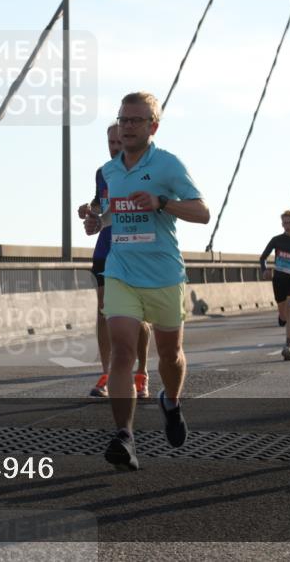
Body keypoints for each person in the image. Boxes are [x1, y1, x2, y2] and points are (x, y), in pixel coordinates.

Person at [84, 91, 209, 471]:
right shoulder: (110, 171)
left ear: (153, 126)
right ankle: (124, 435)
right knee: (123, 351)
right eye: (123, 120)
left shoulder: (169, 165)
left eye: (136, 120)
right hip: (121, 271)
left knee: (170, 356)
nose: (127, 127)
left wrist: (161, 203)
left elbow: (202, 212)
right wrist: (96, 222)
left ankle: (171, 401)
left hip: (164, 274)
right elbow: (112, 215)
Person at [78, 123, 151, 399]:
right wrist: (90, 210)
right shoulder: (103, 173)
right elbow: (101, 203)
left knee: (139, 315)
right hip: (106, 249)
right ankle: (107, 374)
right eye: (111, 142)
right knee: (103, 312)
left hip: (135, 249)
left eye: (119, 142)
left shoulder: (146, 173)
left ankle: (141, 373)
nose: (115, 148)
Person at [259, 211, 290, 360]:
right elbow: (263, 258)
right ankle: (281, 318)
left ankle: (289, 346)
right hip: (279, 279)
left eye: (289, 222)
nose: (286, 226)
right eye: (284, 223)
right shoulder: (276, 240)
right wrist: (264, 270)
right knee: (283, 313)